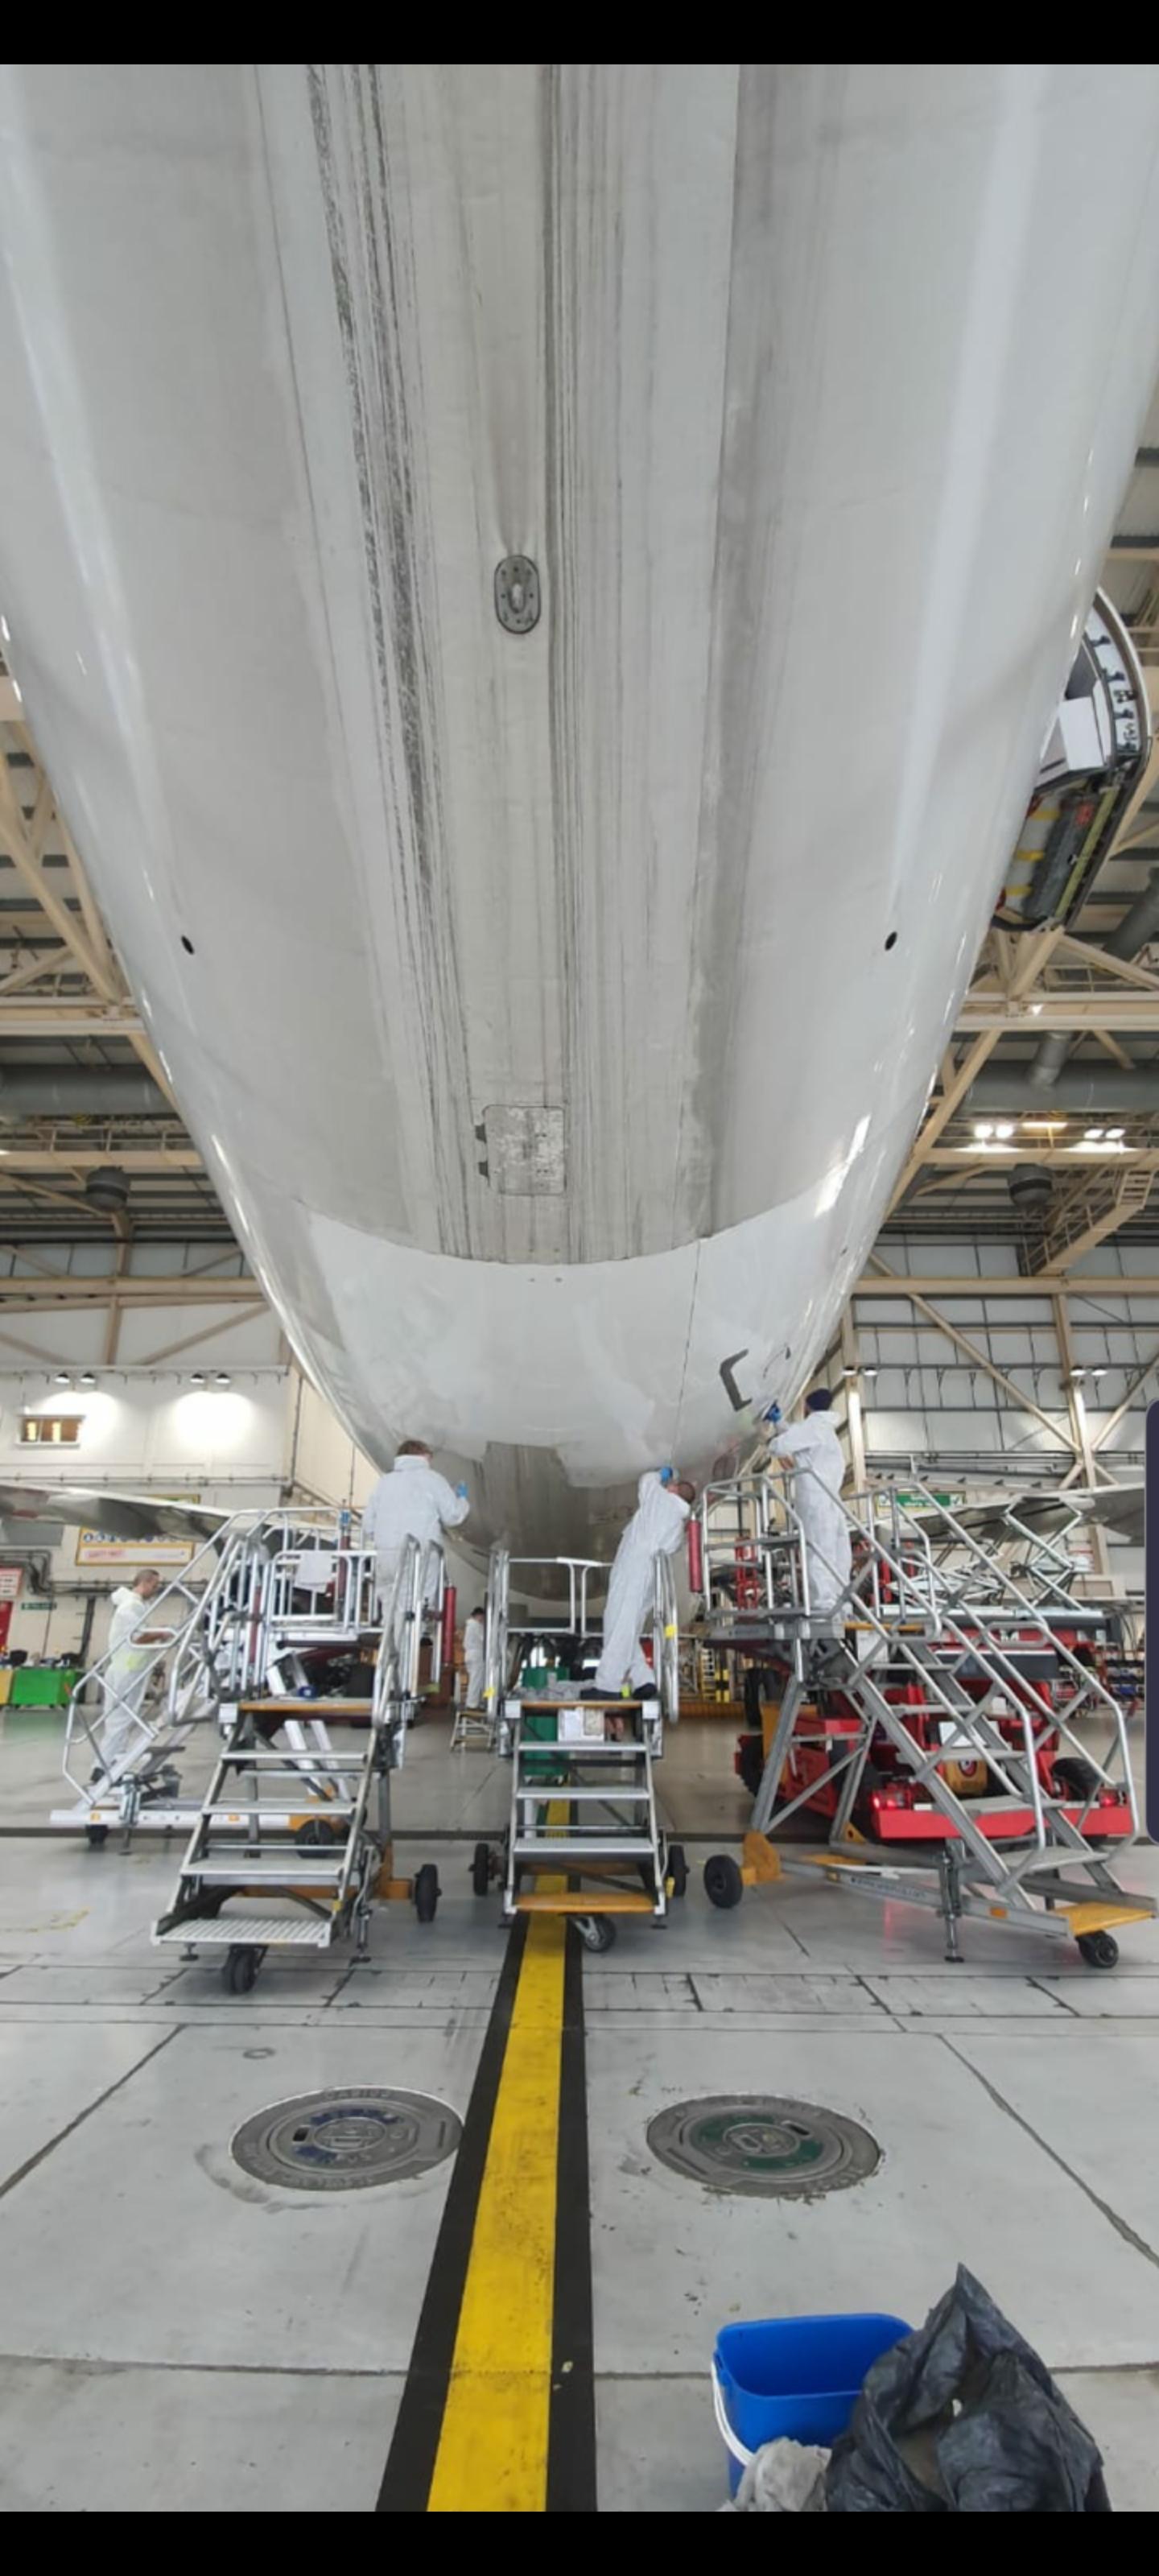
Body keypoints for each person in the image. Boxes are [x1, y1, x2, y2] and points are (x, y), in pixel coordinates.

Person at [589, 1470, 695, 1699]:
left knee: (619, 1623)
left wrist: (663, 1473)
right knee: (628, 1626)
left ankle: (607, 1686)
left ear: (674, 1490)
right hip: (650, 1575)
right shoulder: (678, 1524)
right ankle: (644, 1680)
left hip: (634, 1568)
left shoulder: (661, 1500)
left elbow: (646, 1481)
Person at [361, 1439, 470, 1642]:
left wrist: (385, 1540)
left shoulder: (385, 1482)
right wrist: (462, 1499)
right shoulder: (432, 1479)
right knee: (416, 1606)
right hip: (419, 1554)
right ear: (423, 1455)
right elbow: (453, 1516)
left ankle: (389, 1646)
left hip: (386, 1555)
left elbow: (368, 1525)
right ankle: (408, 1649)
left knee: (390, 1605)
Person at [769, 1389, 851, 1616]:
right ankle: (841, 1601)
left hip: (815, 1500)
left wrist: (771, 1441)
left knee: (817, 1550)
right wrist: (780, 1423)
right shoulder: (825, 1430)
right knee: (838, 1551)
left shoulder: (812, 1427)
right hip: (833, 1499)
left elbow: (780, 1446)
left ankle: (822, 1604)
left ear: (807, 1406)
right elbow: (799, 1438)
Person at [97, 1569, 174, 1777]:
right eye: (155, 1586)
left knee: (123, 1720)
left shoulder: (136, 1605)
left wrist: (157, 1633)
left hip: (131, 1668)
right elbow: (137, 1637)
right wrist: (160, 1633)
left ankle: (112, 1762)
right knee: (120, 1720)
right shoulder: (131, 1606)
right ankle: (103, 1766)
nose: (156, 1590)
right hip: (127, 1670)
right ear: (145, 1583)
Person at [463, 1604, 486, 1708]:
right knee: (476, 1681)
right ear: (479, 1615)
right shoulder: (475, 1625)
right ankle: (472, 1703)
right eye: (482, 1617)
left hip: (470, 1655)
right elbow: (484, 1639)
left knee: (475, 1680)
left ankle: (476, 1701)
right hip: (476, 1655)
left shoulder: (470, 1625)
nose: (483, 1619)